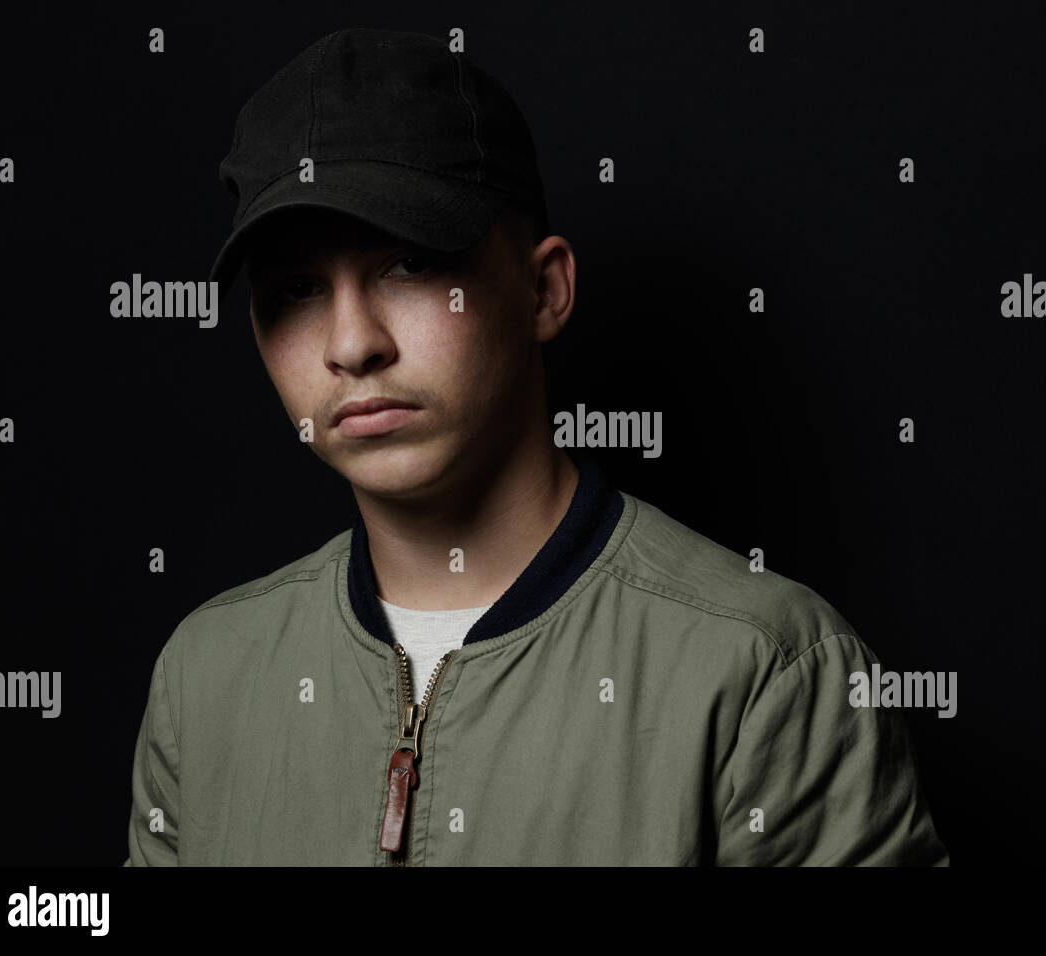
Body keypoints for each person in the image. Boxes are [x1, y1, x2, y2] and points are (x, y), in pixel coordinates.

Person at [123, 27, 949, 866]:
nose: (352, 343)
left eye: (410, 266)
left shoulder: (767, 672)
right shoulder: (205, 677)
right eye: (295, 290)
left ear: (544, 289)